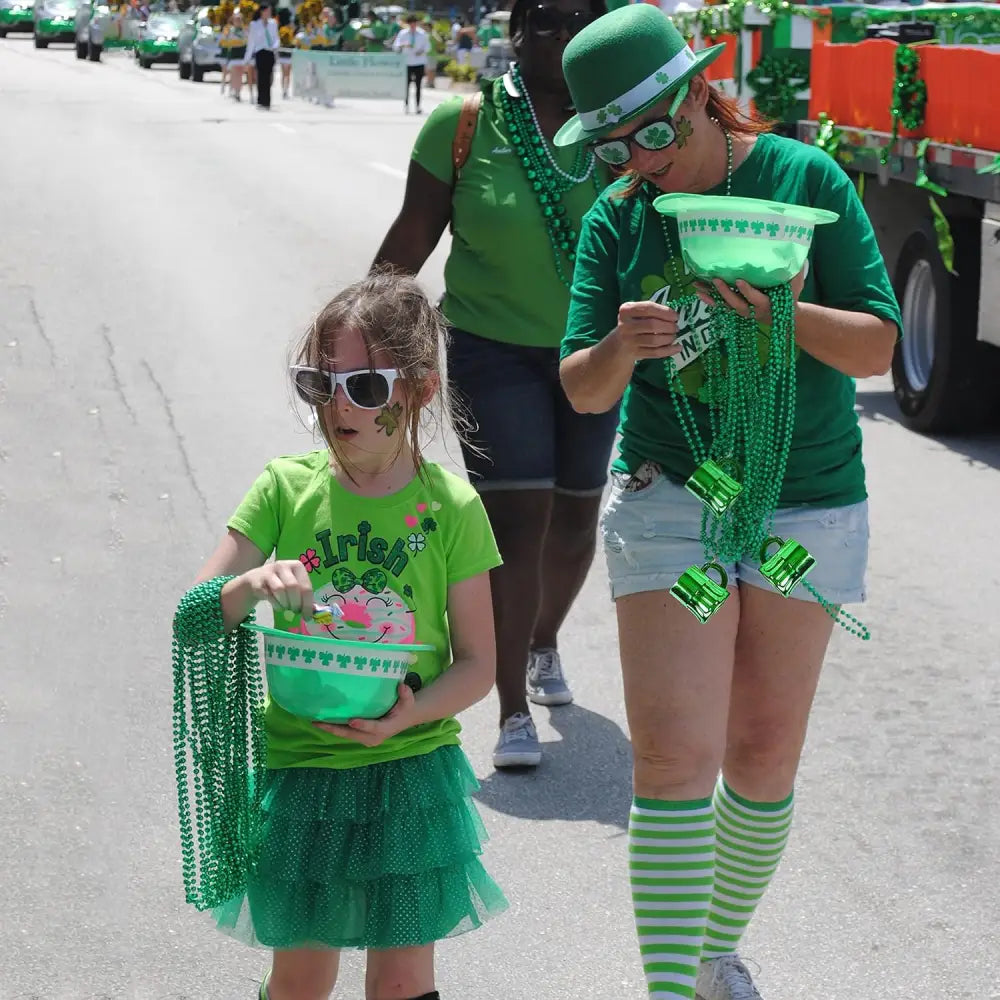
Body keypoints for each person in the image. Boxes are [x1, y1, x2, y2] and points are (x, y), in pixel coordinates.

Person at [554, 5, 902, 999]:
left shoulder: (805, 182)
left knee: (758, 753)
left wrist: (785, 313)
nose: (641, 160)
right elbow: (581, 387)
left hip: (803, 508)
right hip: (675, 508)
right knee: (673, 757)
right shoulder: (618, 221)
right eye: (615, 148)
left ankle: (706, 950)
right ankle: (671, 988)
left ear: (702, 93)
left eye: (654, 134)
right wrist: (622, 344)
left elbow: (878, 346)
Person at [188, 271, 507, 1000]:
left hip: (409, 772)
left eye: (365, 388)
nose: (339, 406)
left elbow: (480, 664)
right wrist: (249, 585)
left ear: (420, 390)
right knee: (300, 980)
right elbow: (197, 609)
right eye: (320, 383)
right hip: (301, 773)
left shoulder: (452, 508)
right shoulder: (284, 488)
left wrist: (411, 712)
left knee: (400, 982)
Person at [371, 0, 613, 770]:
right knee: (518, 522)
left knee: (577, 516)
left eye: (580, 19)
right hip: (490, 352)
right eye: (545, 18)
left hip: (594, 353)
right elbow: (410, 239)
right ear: (514, 29)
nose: (562, 34)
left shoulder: (617, 128)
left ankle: (541, 643)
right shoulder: (464, 125)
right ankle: (510, 706)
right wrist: (366, 341)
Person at [394, 13, 430, 115]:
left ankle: (418, 106)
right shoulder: (403, 33)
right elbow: (396, 46)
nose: (413, 25)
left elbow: (428, 47)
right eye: (411, 23)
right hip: (407, 63)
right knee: (406, 85)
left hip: (419, 62)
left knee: (418, 85)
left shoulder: (422, 34)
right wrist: (403, 45)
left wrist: (422, 51)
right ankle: (406, 105)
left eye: (415, 23)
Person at [246, 2, 280, 110]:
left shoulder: (273, 23)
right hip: (260, 52)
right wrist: (247, 57)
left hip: (270, 52)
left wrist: (275, 46)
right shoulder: (255, 24)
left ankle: (267, 101)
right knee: (261, 76)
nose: (269, 13)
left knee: (269, 77)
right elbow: (252, 41)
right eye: (267, 11)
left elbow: (276, 37)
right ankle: (261, 100)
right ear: (262, 12)